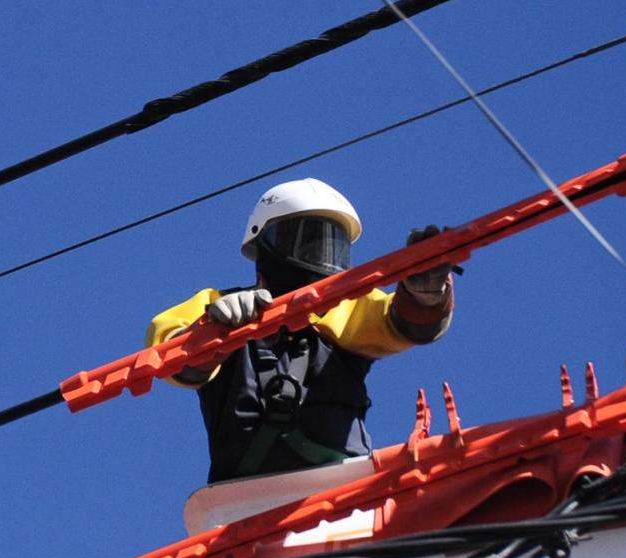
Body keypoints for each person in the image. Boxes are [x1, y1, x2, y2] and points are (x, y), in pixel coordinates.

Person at [147, 178, 456, 483]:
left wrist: (425, 294)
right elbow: (168, 351)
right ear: (265, 243)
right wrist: (214, 332)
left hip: (340, 482)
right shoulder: (218, 304)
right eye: (306, 239)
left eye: (331, 244)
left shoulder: (346, 306)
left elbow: (402, 322)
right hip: (241, 494)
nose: (320, 254)